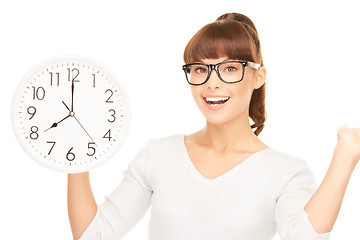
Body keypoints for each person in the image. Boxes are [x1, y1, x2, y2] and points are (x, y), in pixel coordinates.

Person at [68, 12, 360, 240]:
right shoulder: (158, 154)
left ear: (258, 77)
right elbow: (95, 234)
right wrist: (75, 152)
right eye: (200, 69)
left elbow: (304, 237)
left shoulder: (286, 172)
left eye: (230, 68)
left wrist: (346, 155)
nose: (212, 81)